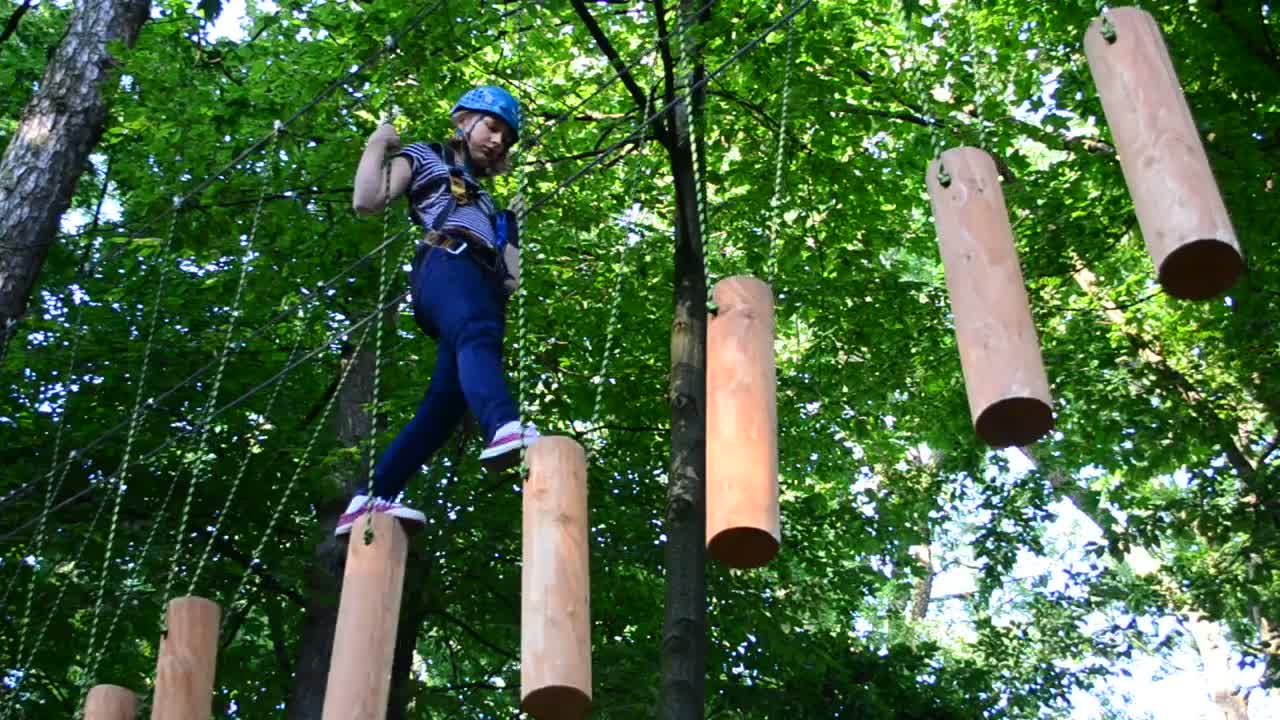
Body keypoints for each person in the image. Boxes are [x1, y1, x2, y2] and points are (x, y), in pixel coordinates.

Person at [335, 86, 539, 536]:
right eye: (492, 126)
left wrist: (513, 233)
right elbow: (367, 201)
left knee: (445, 405)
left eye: (506, 136)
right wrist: (377, 143)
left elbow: (510, 280)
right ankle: (503, 426)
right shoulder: (426, 156)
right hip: (445, 262)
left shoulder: (486, 201)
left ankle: (372, 498)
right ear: (464, 121)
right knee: (476, 332)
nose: (498, 141)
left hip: (479, 281)